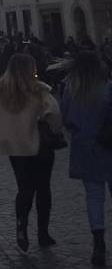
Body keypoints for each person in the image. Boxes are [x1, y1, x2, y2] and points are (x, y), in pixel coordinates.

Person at [0, 53, 62, 253]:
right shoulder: (38, 90)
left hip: (15, 148)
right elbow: (54, 113)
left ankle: (21, 225)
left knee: (24, 188)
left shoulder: (0, 92)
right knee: (43, 189)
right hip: (39, 146)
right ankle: (43, 233)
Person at [57, 49, 112, 265]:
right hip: (108, 147)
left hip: (86, 149)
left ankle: (98, 242)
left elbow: (66, 118)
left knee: (94, 197)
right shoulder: (107, 88)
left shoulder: (72, 91)